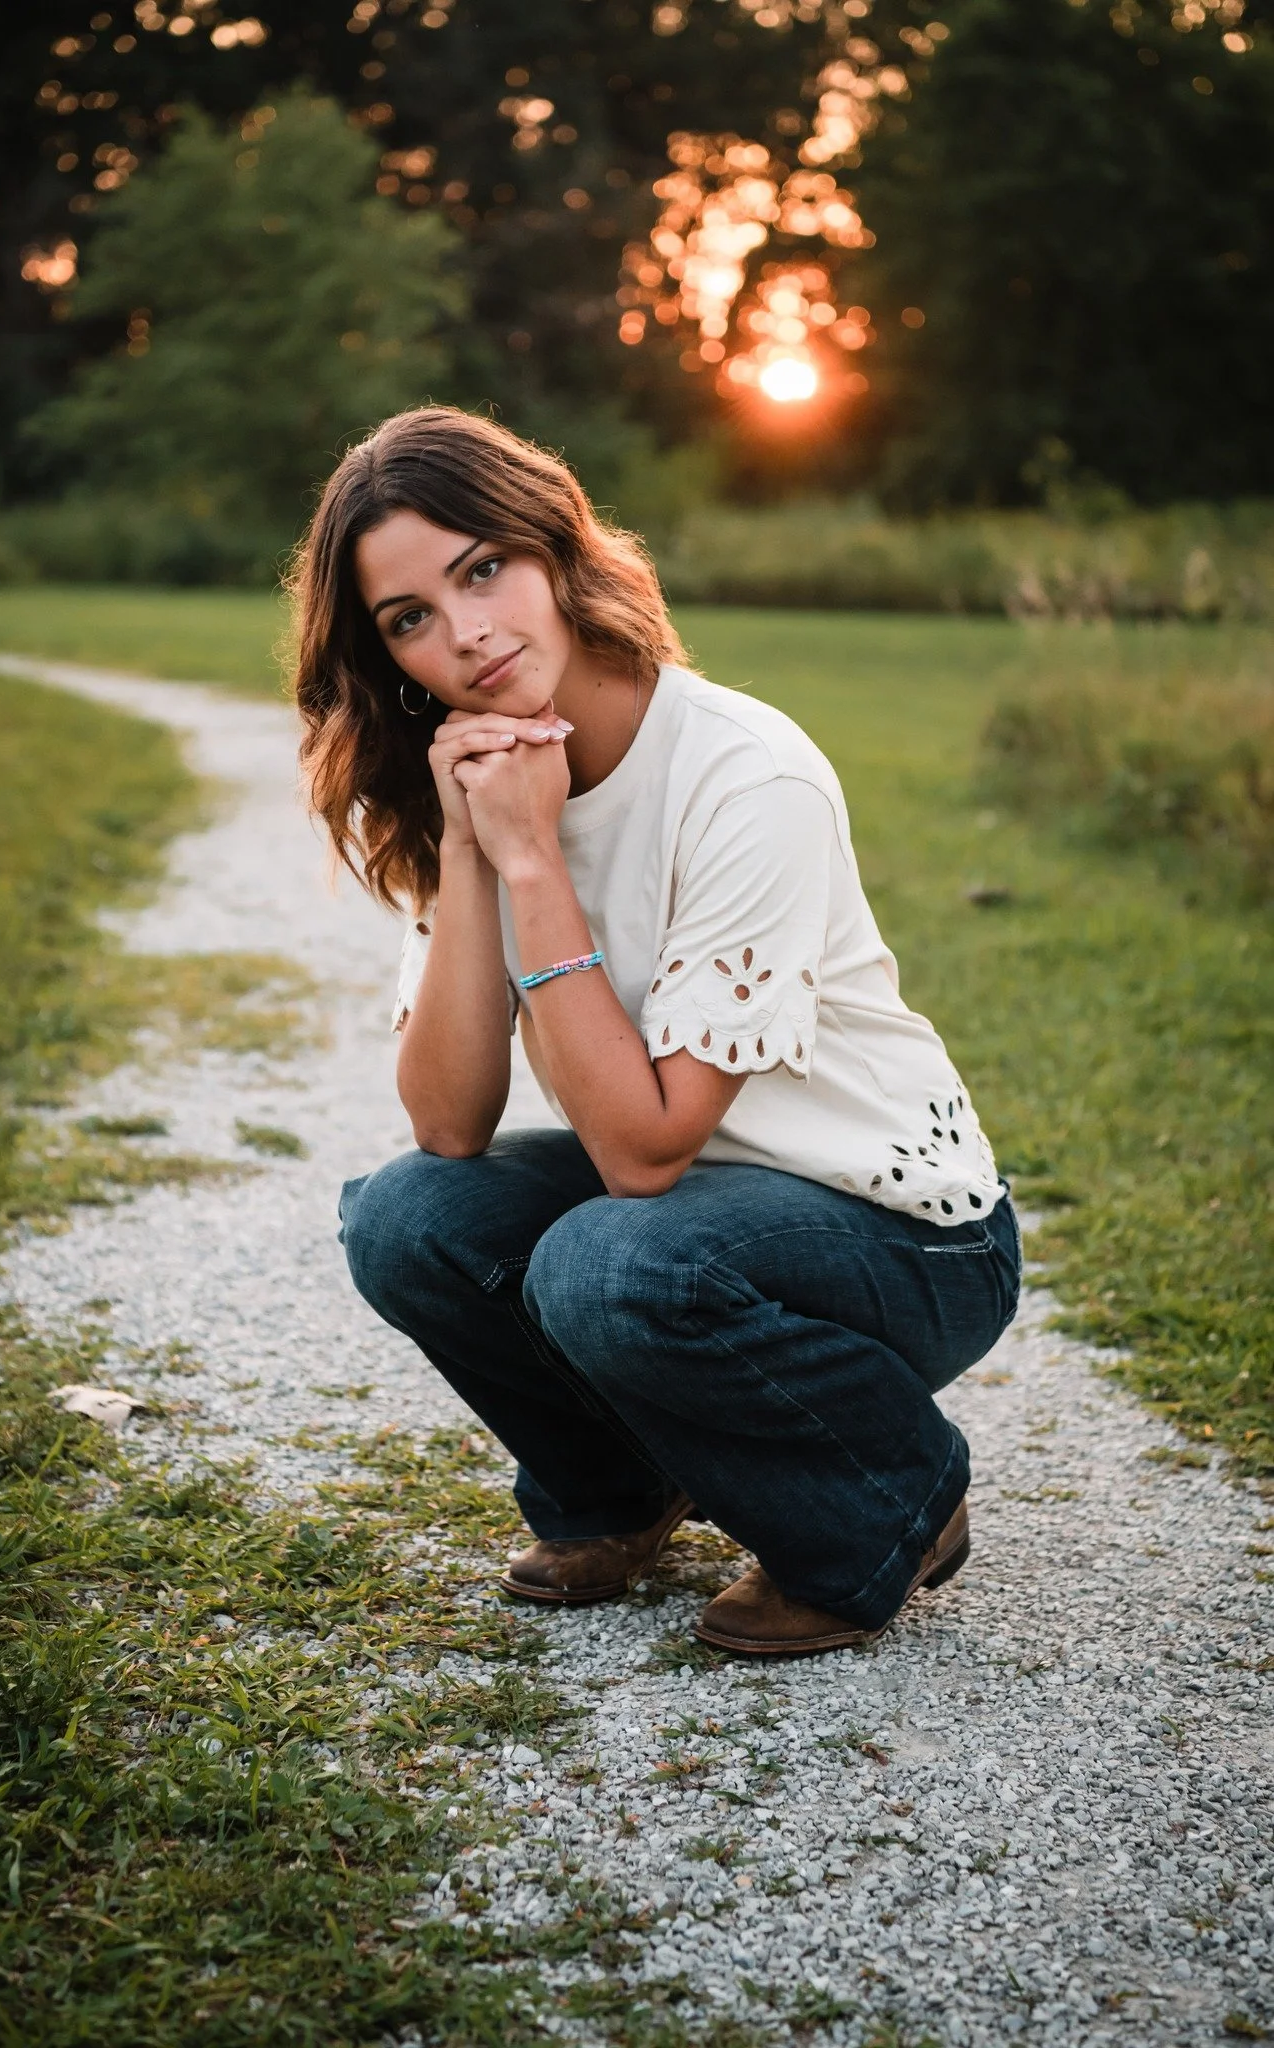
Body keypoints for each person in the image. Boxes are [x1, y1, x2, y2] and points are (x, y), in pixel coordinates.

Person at [293, 406, 1020, 1658]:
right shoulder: (483, 774)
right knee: (406, 1217)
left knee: (609, 1259)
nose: (465, 633)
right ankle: (619, 1492)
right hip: (695, 1208)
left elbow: (641, 1155)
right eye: (409, 616)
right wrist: (471, 845)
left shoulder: (747, 773)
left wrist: (533, 856)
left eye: (482, 568)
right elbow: (447, 1122)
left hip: (901, 1236)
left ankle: (888, 1490)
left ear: (555, 550)